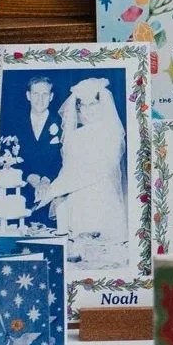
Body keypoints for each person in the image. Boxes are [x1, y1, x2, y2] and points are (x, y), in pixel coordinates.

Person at [35, 77, 128, 252]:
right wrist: (52, 189)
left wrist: (56, 188)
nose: (88, 110)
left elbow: (102, 169)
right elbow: (68, 169)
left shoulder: (111, 133)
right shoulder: (75, 136)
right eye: (83, 105)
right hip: (77, 207)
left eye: (93, 104)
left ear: (102, 105)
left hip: (103, 204)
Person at [14, 76, 63, 223]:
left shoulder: (62, 123)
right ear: (28, 95)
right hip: (20, 194)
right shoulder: (13, 122)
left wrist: (47, 179)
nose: (40, 99)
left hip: (52, 193)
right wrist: (29, 176)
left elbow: (65, 158)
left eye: (45, 94)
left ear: (51, 97)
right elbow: (7, 154)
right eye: (35, 94)